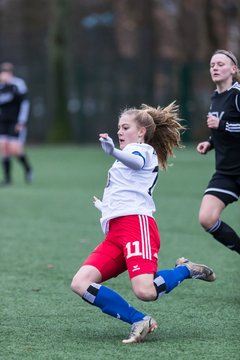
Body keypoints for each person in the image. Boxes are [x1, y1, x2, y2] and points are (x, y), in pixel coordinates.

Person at [71, 102, 216, 344]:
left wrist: (113, 152)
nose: (119, 131)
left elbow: (136, 163)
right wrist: (104, 207)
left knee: (146, 291)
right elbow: (129, 190)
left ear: (141, 132)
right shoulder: (123, 157)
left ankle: (186, 269)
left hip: (136, 227)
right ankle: (139, 320)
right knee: (80, 283)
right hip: (116, 232)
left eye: (125, 127)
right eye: (118, 127)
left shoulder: (143, 150)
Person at [197, 49, 240, 254]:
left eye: (220, 64)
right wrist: (210, 142)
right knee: (207, 218)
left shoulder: (238, 95)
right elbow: (223, 130)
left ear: (234, 69)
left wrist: (221, 125)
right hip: (226, 172)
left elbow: (225, 125)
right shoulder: (215, 97)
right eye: (212, 65)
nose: (215, 67)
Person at [0, 62, 33, 186]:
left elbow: (25, 103)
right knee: (4, 147)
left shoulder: (18, 84)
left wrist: (22, 121)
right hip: (3, 121)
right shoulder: (1, 87)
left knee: (15, 149)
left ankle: (28, 169)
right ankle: (7, 179)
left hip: (16, 121)